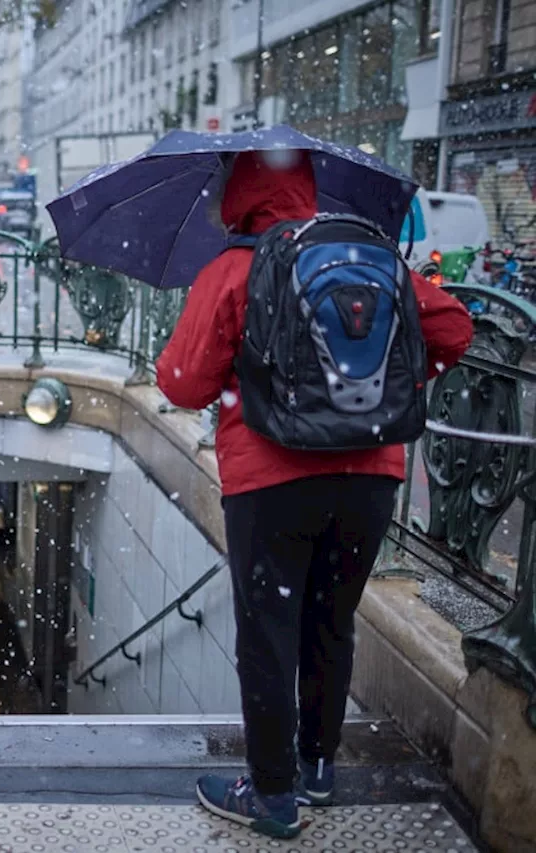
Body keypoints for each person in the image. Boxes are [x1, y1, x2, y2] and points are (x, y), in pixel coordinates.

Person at [156, 151, 473, 838]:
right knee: (332, 620)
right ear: (307, 188)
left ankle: (271, 793)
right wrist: (380, 388)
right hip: (370, 479)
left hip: (271, 480)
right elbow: (455, 330)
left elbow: (181, 382)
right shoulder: (371, 258)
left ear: (240, 193)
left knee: (269, 634)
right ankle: (318, 768)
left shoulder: (235, 268)